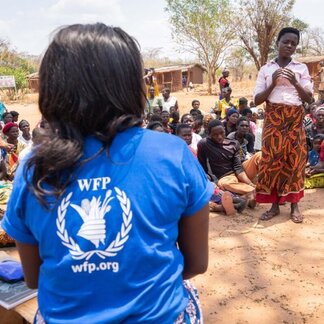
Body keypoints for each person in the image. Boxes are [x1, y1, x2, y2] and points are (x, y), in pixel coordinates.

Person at [2, 23, 213, 323]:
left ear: (53, 89)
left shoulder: (32, 167)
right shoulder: (172, 154)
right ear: (129, 86)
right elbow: (196, 264)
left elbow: (35, 279)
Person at [254, 27, 313, 223]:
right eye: (286, 41)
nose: (289, 46)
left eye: (293, 43)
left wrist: (295, 82)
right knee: (272, 160)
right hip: (273, 118)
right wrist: (273, 82)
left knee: (295, 161)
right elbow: (256, 101)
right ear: (277, 43)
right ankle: (274, 206)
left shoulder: (301, 68)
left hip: (295, 118)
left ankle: (295, 206)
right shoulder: (266, 69)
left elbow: (309, 99)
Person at [176, 123, 247, 215]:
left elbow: (199, 169)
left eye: (189, 135)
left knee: (216, 192)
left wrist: (206, 178)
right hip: (186, 185)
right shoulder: (176, 151)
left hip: (199, 182)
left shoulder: (191, 150)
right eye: (184, 135)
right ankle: (220, 207)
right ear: (176, 136)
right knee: (201, 196)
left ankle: (233, 203)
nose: (187, 137)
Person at [197, 119, 261, 201]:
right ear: (209, 134)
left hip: (242, 172)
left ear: (224, 130)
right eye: (215, 135)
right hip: (225, 177)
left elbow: (238, 168)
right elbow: (202, 167)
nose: (219, 137)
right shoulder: (204, 144)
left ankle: (263, 188)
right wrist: (210, 182)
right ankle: (255, 192)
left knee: (259, 155)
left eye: (221, 133)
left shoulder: (234, 144)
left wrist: (249, 183)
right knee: (223, 183)